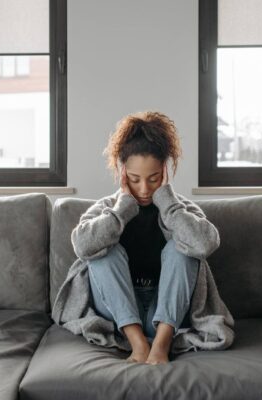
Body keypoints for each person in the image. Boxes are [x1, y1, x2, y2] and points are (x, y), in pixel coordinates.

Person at [73, 111, 219, 365]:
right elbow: (82, 246)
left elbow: (205, 244)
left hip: (167, 313)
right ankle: (138, 344)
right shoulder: (108, 208)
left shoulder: (179, 210)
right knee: (102, 251)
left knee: (181, 248)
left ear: (164, 171)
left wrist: (168, 204)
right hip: (116, 312)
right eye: (134, 179)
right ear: (122, 172)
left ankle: (160, 345)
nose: (143, 189)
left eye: (152, 179)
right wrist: (121, 210)